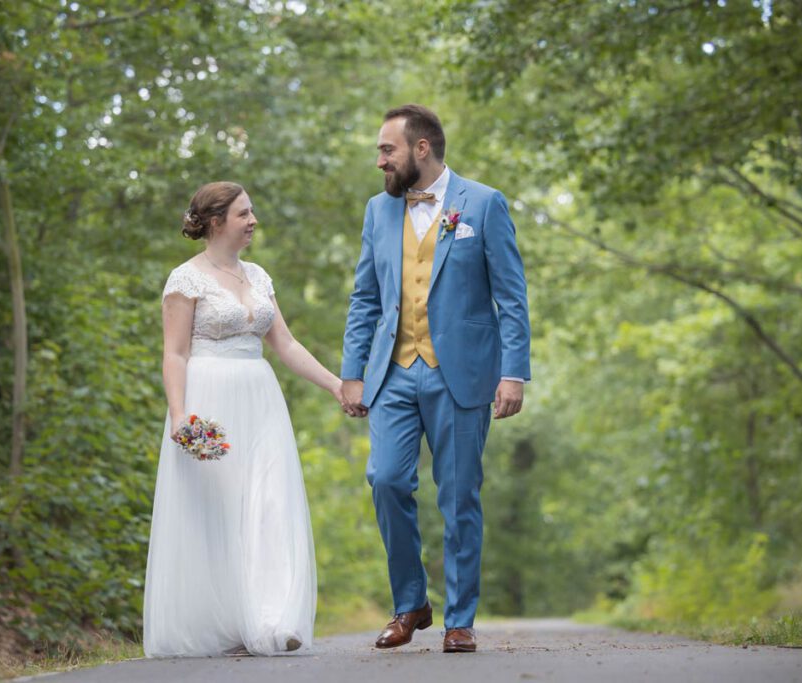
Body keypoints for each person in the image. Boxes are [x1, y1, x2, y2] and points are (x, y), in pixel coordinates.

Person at [341, 104, 531, 654]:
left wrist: (513, 373)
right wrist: (352, 373)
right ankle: (410, 604)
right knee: (387, 480)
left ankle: (460, 619)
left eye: (387, 149)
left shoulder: (484, 203)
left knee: (459, 497)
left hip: (463, 374)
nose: (380, 160)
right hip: (393, 374)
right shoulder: (378, 211)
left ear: (420, 149)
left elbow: (511, 297)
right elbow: (365, 299)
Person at [143, 181, 343, 657]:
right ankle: (226, 621)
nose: (253, 221)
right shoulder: (185, 279)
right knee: (223, 509)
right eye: (243, 214)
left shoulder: (258, 276)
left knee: (270, 502)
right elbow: (173, 354)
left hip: (261, 398)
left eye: (252, 212)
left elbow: (287, 346)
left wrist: (336, 384)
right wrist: (179, 415)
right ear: (216, 222)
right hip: (210, 398)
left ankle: (272, 620)